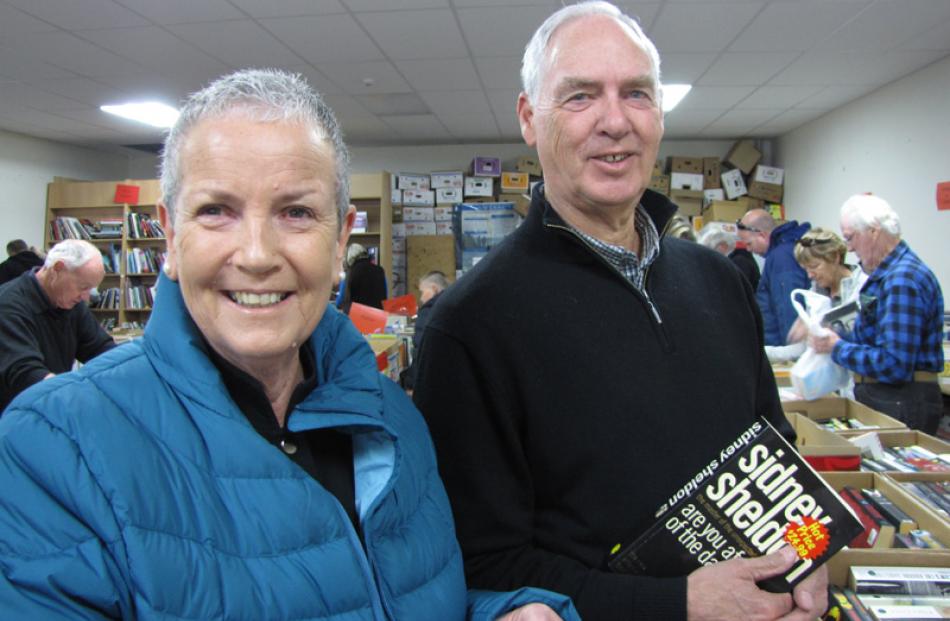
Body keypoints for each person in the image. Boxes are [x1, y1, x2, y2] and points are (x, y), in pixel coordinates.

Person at [0, 69, 577, 621]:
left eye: (296, 212)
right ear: (171, 238)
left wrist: (500, 612)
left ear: (339, 243)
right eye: (216, 211)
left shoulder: (396, 421)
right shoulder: (53, 447)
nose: (256, 254)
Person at [413, 3, 826, 621]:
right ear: (530, 118)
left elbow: (779, 461)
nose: (615, 121)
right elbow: (484, 562)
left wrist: (809, 558)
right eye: (580, 96)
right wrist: (678, 604)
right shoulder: (467, 325)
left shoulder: (719, 281)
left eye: (636, 93)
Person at [811, 194, 944, 434]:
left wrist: (836, 346)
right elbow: (874, 339)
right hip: (894, 398)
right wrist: (838, 335)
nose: (849, 247)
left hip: (900, 399)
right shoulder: (889, 275)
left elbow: (893, 364)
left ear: (873, 232)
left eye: (851, 238)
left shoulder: (901, 280)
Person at [0, 238, 115, 412]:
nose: (86, 297)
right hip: (13, 418)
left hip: (44, 408)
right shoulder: (8, 305)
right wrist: (79, 397)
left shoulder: (69, 302)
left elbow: (100, 349)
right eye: (83, 287)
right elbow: (26, 374)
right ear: (58, 269)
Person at [765, 228, 867, 364]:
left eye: (814, 266)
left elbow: (859, 341)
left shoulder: (863, 288)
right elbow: (808, 349)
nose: (810, 275)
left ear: (835, 257)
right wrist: (764, 353)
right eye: (805, 269)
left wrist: (825, 328)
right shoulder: (816, 295)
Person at [738, 209, 811, 346]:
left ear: (762, 236)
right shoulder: (784, 251)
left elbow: (788, 307)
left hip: (781, 347)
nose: (748, 249)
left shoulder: (781, 258)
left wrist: (791, 352)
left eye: (749, 243)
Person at [402, 270, 450, 392]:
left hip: (429, 384)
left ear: (434, 289)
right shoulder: (451, 305)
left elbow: (422, 351)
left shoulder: (428, 311)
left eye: (422, 292)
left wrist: (410, 384)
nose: (421, 298)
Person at [340, 242, 387, 312]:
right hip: (377, 317)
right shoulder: (380, 270)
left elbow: (343, 298)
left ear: (349, 258)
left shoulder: (351, 272)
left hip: (357, 317)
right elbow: (385, 294)